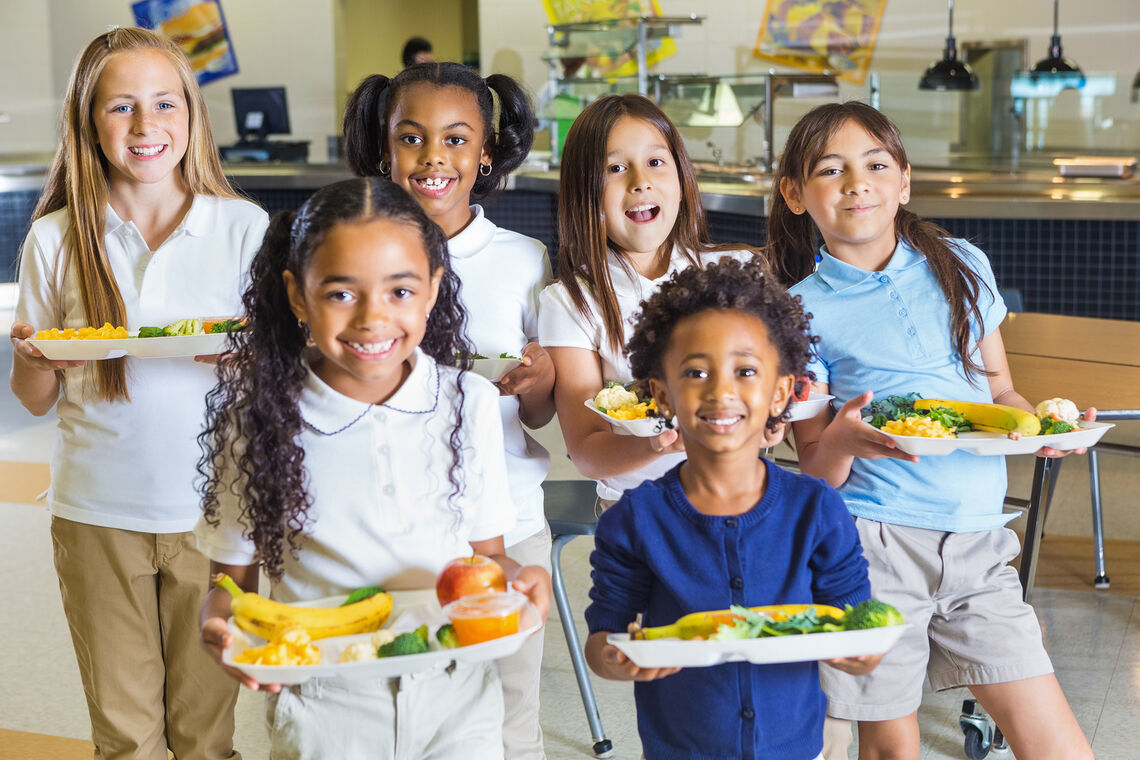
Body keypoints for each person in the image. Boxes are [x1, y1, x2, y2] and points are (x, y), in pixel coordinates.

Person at [769, 101, 1095, 760]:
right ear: (796, 194)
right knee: (894, 749)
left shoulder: (961, 262)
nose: (856, 183)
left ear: (905, 181)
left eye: (874, 164)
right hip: (872, 547)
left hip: (980, 546)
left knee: (1060, 748)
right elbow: (816, 473)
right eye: (831, 170)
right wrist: (846, 437)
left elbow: (999, 392)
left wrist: (1044, 428)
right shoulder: (799, 310)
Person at [195, 177, 553, 760]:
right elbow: (228, 585)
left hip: (456, 695)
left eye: (400, 291)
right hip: (323, 704)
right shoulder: (258, 419)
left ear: (434, 288)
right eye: (340, 293)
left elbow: (487, 558)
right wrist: (221, 627)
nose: (372, 318)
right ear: (296, 294)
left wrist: (518, 579)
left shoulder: (469, 401)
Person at [8, 27, 267, 760]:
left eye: (164, 103)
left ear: (192, 114)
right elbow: (31, 398)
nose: (147, 126)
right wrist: (39, 358)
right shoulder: (57, 240)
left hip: (218, 516)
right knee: (126, 738)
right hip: (97, 515)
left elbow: (277, 377)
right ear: (89, 122)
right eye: (122, 107)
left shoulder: (242, 228)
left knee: (206, 735)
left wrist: (251, 356)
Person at [584, 257, 879, 760]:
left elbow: (860, 621)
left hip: (796, 748)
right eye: (696, 372)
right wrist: (619, 657)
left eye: (745, 371)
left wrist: (861, 652)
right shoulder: (633, 521)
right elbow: (603, 640)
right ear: (662, 395)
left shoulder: (817, 510)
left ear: (780, 392)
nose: (722, 391)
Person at [343, 62, 554, 759]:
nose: (434, 156)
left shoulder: (524, 260)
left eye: (457, 139)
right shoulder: (356, 253)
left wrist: (540, 381)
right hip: (389, 531)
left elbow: (541, 414)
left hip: (509, 522)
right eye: (411, 138)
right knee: (393, 721)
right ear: (384, 150)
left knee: (511, 722)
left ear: (486, 153)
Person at [538, 94, 765, 507]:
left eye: (656, 162)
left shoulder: (738, 268)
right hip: (637, 511)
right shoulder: (570, 300)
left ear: (682, 176)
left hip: (743, 500)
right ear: (583, 192)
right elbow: (587, 452)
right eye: (615, 168)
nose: (640, 181)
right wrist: (665, 444)